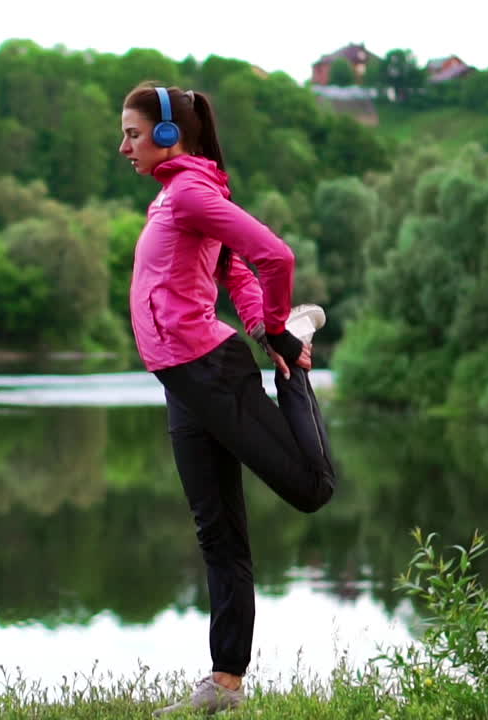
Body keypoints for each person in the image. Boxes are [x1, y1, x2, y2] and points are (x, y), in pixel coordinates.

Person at [119, 82, 338, 715]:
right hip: (181, 382)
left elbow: (273, 254)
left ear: (167, 135)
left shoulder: (187, 192)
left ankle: (295, 367)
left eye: (133, 134)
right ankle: (225, 685)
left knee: (311, 490)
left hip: (210, 373)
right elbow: (232, 269)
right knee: (217, 531)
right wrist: (254, 315)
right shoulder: (175, 197)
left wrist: (273, 328)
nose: (124, 146)